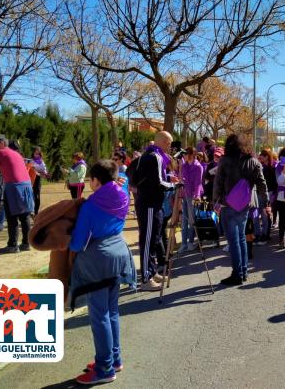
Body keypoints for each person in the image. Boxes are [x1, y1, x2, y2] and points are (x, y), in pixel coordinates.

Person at [69, 160, 135, 385]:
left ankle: (105, 368)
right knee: (112, 311)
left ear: (96, 180)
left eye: (91, 180)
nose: (89, 184)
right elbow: (123, 182)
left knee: (99, 316)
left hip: (97, 261)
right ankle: (114, 359)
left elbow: (78, 243)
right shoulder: (123, 194)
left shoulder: (90, 205)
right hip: (120, 254)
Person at [213, 134, 267, 285]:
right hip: (244, 204)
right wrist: (266, 202)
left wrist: (215, 202)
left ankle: (237, 274)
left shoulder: (225, 161)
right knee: (242, 238)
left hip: (228, 204)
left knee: (234, 240)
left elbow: (218, 183)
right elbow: (262, 184)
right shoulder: (254, 161)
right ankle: (243, 271)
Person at [131, 131, 179, 291]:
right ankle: (146, 278)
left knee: (154, 239)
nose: (170, 147)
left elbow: (156, 180)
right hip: (149, 204)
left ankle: (151, 271)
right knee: (148, 240)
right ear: (164, 142)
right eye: (169, 143)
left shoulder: (152, 155)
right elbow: (157, 183)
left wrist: (168, 179)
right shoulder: (154, 157)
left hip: (152, 203)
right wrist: (173, 185)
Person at [0, 135, 34, 253]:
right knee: (25, 216)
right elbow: (1, 166)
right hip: (26, 185)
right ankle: (26, 243)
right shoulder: (15, 153)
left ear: (2, 143)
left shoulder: (1, 152)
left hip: (13, 186)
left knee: (12, 216)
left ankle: (12, 245)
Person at [179, 147, 203, 253]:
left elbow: (198, 183)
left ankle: (190, 242)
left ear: (191, 155)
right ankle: (184, 243)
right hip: (184, 194)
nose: (184, 156)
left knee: (191, 220)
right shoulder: (184, 165)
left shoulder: (198, 167)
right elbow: (181, 178)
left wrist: (197, 196)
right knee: (184, 220)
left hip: (192, 195)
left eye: (186, 154)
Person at [255, 149, 277, 245]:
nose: (261, 158)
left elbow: (275, 183)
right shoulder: (261, 166)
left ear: (266, 156)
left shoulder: (272, 167)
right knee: (257, 214)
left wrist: (273, 195)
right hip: (259, 192)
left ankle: (266, 235)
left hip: (269, 193)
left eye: (262, 156)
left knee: (265, 214)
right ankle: (258, 234)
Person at [30, 147, 49, 216]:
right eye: (36, 153)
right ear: (33, 153)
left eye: (38, 154)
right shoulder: (31, 161)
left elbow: (44, 170)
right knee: (31, 196)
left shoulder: (42, 161)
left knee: (37, 196)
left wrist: (46, 174)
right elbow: (30, 169)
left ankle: (36, 212)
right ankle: (30, 211)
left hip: (37, 180)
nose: (37, 155)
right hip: (31, 180)